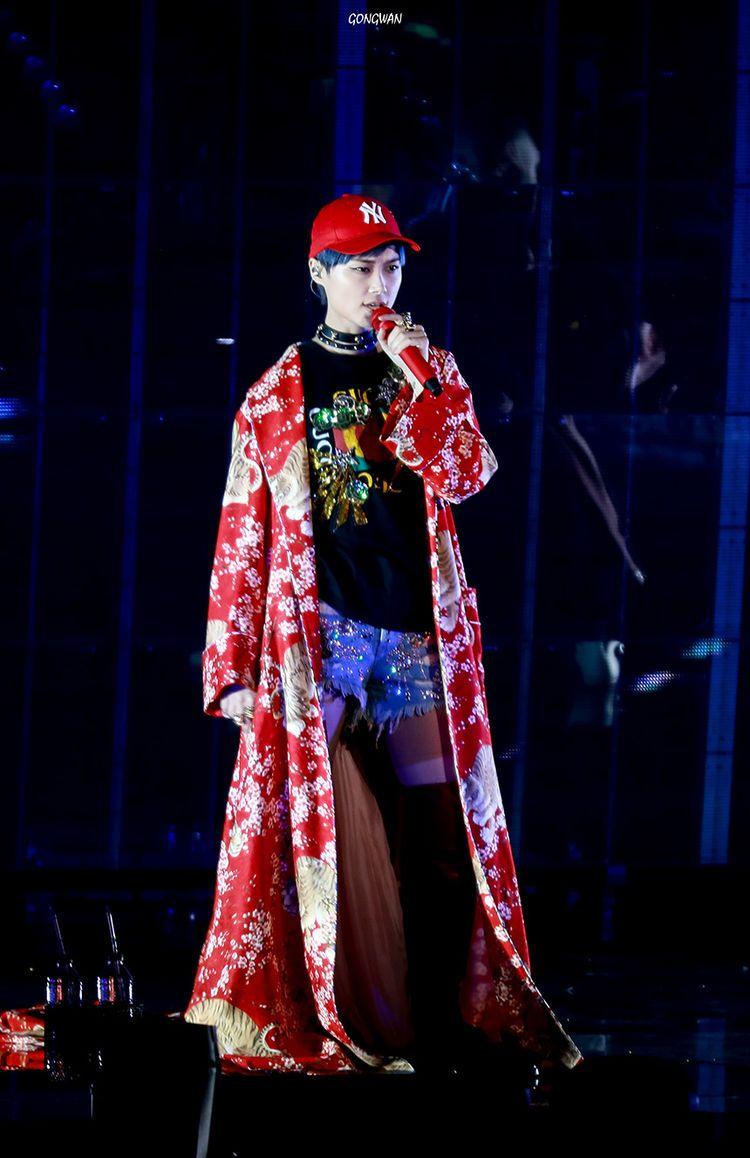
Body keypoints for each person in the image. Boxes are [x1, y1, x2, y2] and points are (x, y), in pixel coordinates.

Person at [184, 193, 584, 1080]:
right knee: (318, 836)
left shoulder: (424, 368)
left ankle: (440, 1021)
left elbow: (468, 472)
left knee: (442, 837)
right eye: (361, 268)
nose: (379, 285)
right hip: (320, 639)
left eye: (392, 266)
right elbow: (242, 533)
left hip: (413, 640)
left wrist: (422, 377)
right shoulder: (275, 396)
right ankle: (327, 1013)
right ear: (319, 273)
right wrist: (231, 671)